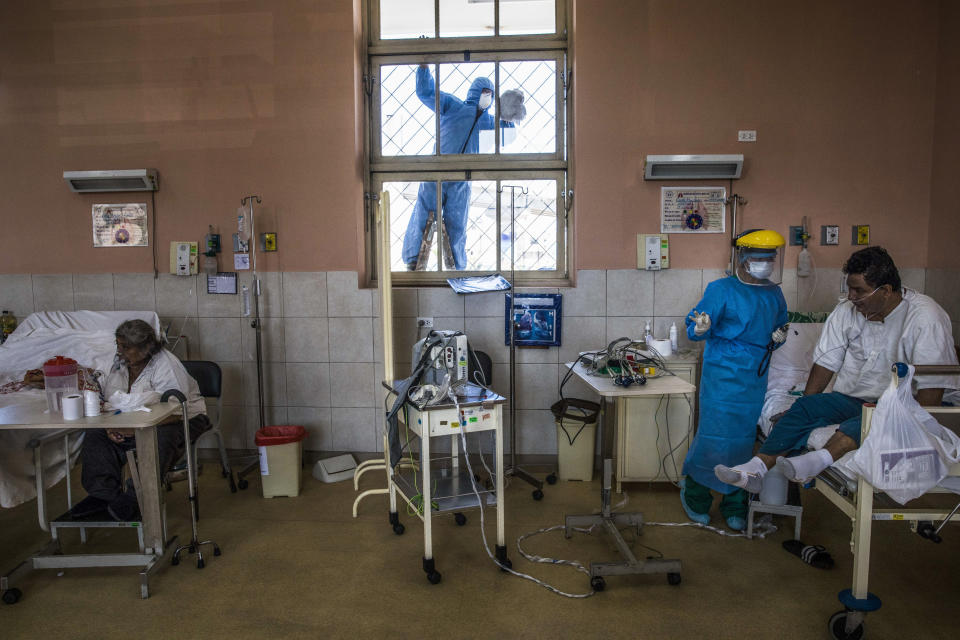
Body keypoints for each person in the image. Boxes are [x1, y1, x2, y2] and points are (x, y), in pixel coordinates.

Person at [715, 246, 959, 493]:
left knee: (869, 419)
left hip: (909, 406)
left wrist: (915, 422)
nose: (851, 296)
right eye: (849, 288)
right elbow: (825, 363)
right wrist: (801, 413)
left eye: (859, 290)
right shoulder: (847, 311)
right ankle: (756, 469)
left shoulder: (925, 317)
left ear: (885, 291)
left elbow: (932, 392)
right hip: (857, 399)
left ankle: (818, 460)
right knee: (805, 406)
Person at [680, 229, 789, 531]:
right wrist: (699, 328)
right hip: (722, 375)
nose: (765, 264)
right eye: (758, 259)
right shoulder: (721, 289)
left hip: (754, 377)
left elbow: (778, 329)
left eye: (770, 259)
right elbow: (695, 324)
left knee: (743, 442)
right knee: (712, 439)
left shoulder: (774, 293)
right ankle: (696, 497)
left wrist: (779, 338)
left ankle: (735, 504)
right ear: (742, 259)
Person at [69, 319, 210, 522]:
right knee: (96, 433)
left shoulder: (165, 364)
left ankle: (136, 499)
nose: (120, 351)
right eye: (118, 345)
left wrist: (135, 430)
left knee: (159, 438)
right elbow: (112, 400)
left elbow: (178, 408)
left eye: (126, 347)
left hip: (183, 418)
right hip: (133, 421)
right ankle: (103, 495)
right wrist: (112, 427)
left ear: (146, 348)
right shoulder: (119, 365)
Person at [401, 64, 513, 271]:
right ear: (475, 92)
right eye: (484, 92)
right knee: (422, 216)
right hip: (436, 174)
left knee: (457, 223)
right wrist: (424, 68)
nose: (486, 97)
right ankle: (413, 260)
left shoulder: (487, 121)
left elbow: (508, 133)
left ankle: (456, 268)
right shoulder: (453, 106)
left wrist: (508, 112)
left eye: (490, 94)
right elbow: (426, 93)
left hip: (462, 179)